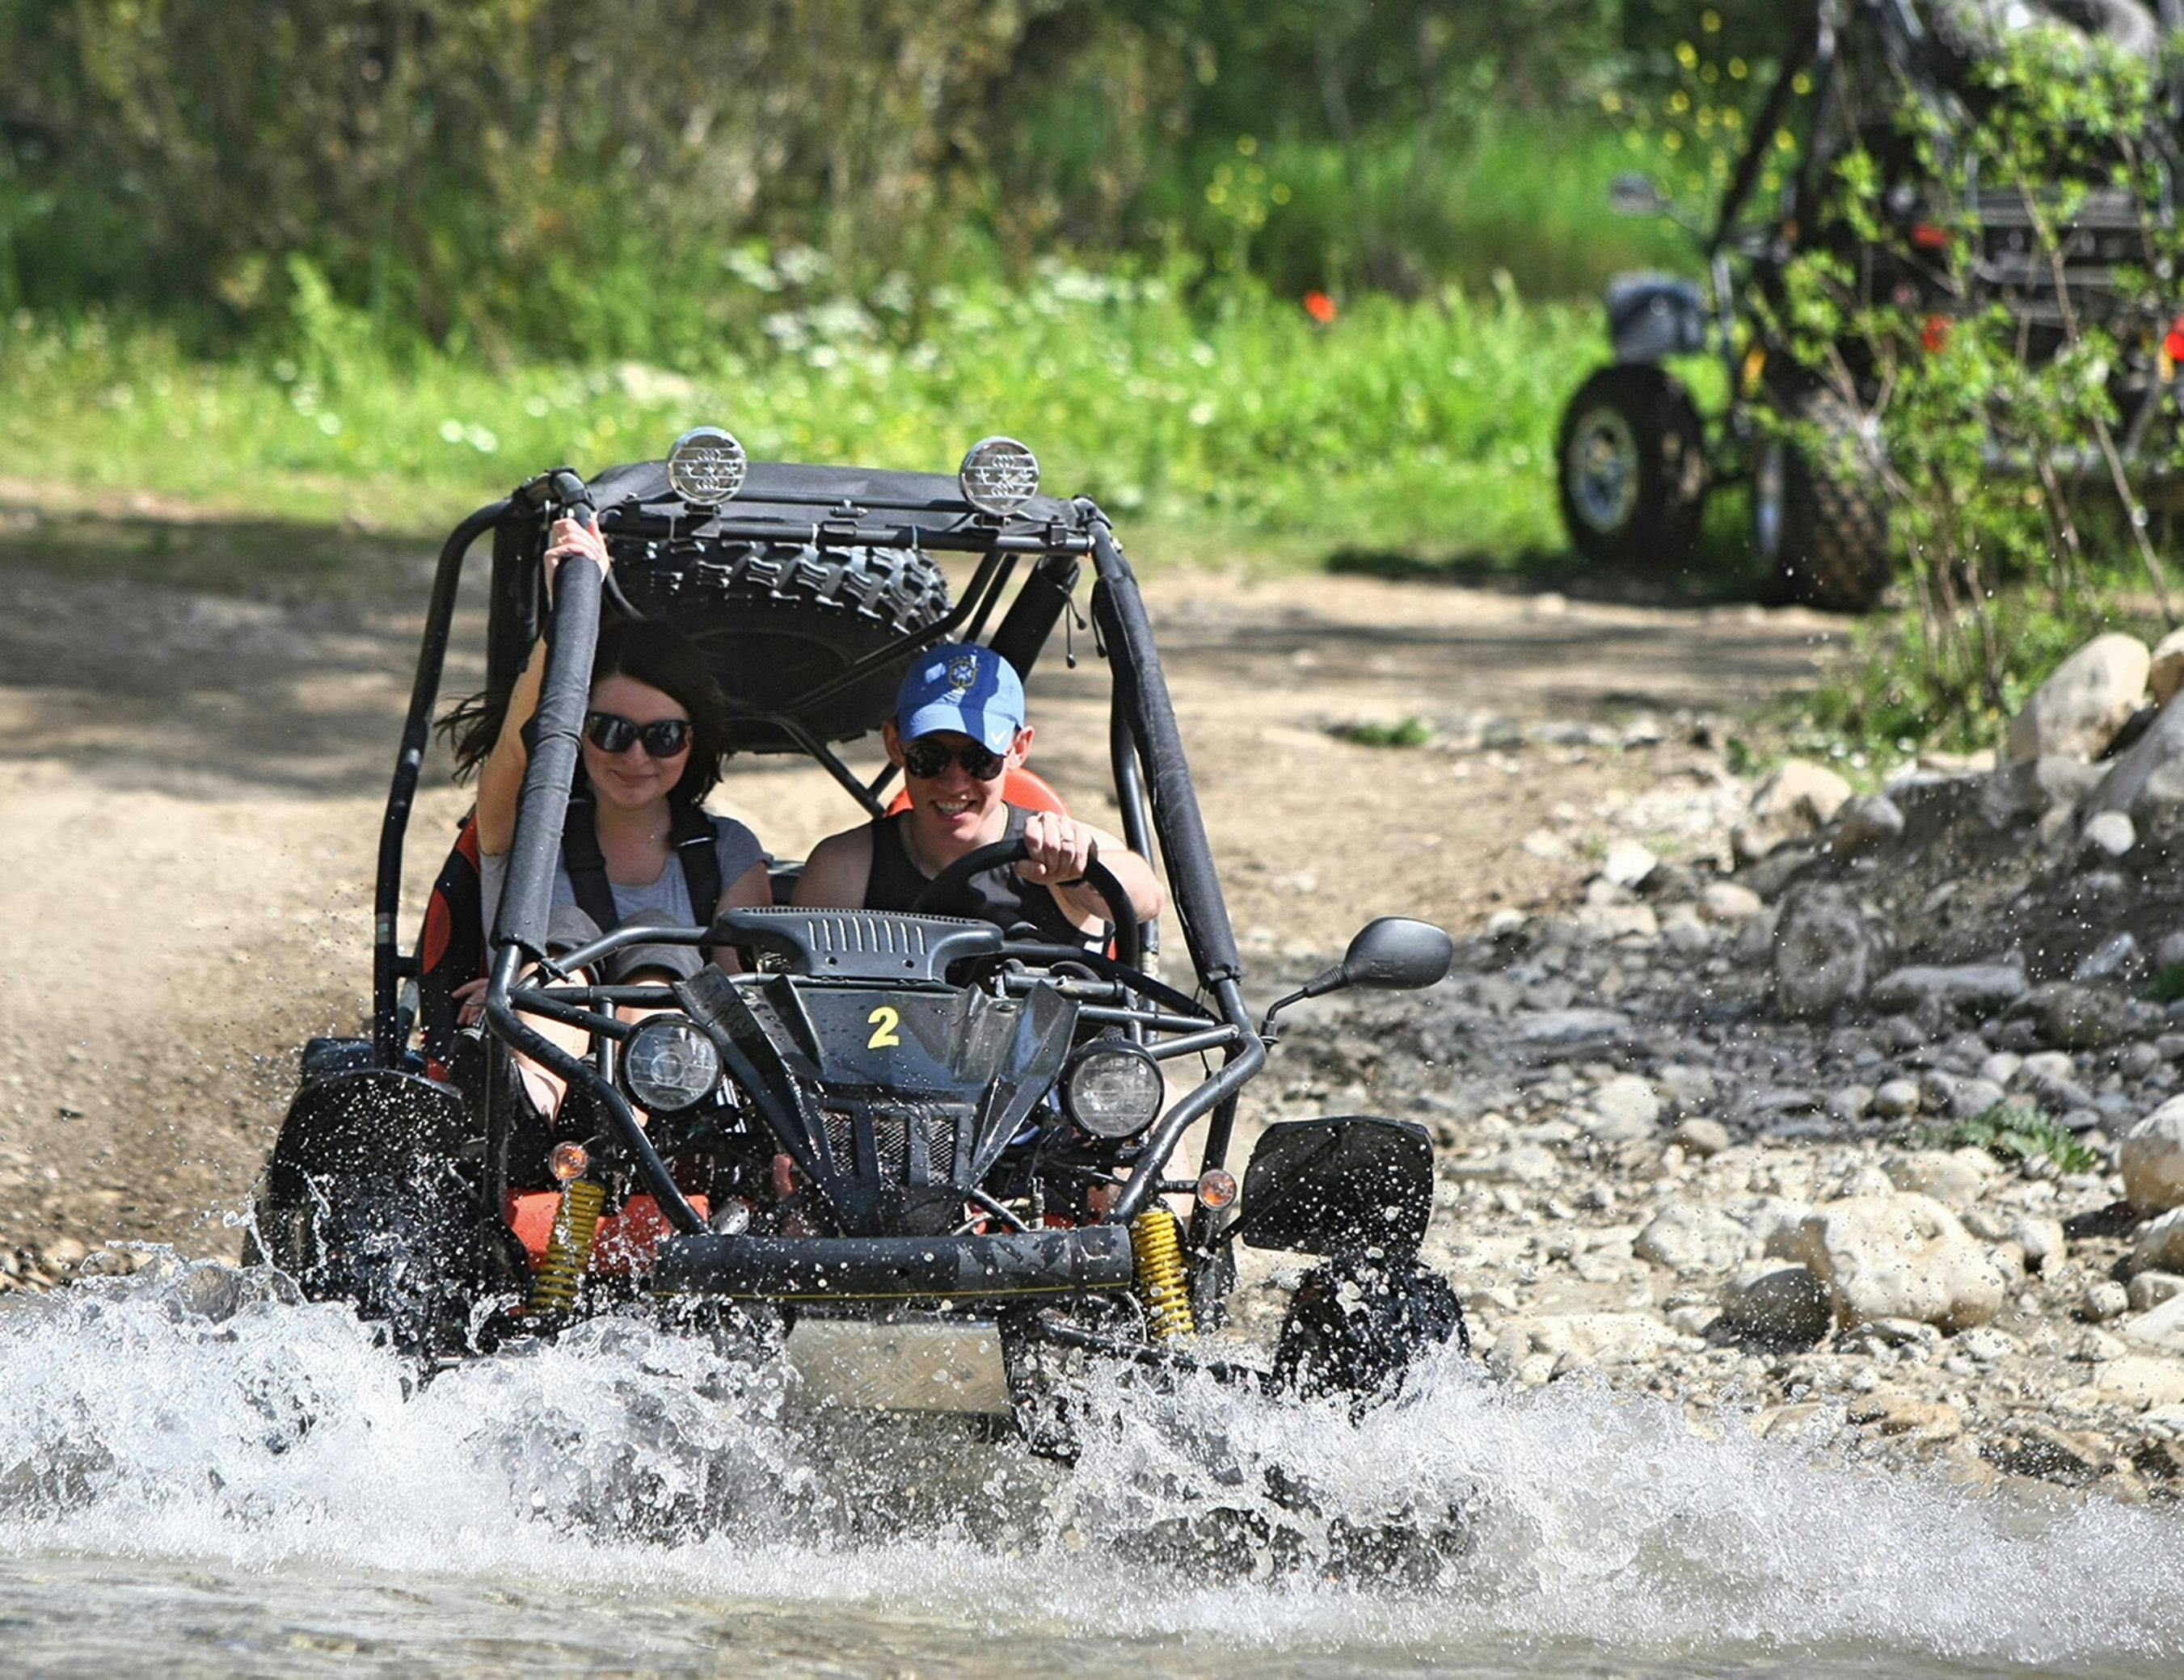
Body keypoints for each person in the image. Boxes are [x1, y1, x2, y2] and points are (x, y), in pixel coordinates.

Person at [439, 515, 772, 1122]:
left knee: (658, 951)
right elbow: (519, 743)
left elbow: (744, 1006)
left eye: (664, 737)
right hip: (529, 1108)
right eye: (610, 732)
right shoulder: (522, 827)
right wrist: (563, 623)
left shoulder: (728, 851)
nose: (636, 757)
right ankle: (531, 1095)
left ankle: (633, 1120)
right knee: (563, 936)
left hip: (677, 1099)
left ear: (694, 741)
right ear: (573, 730)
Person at [793, 641, 1163, 937]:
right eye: (929, 757)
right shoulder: (848, 867)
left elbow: (1146, 897)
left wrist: (1080, 870)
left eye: (979, 759)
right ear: (895, 745)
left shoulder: (1054, 850)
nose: (954, 782)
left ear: (1017, 749)